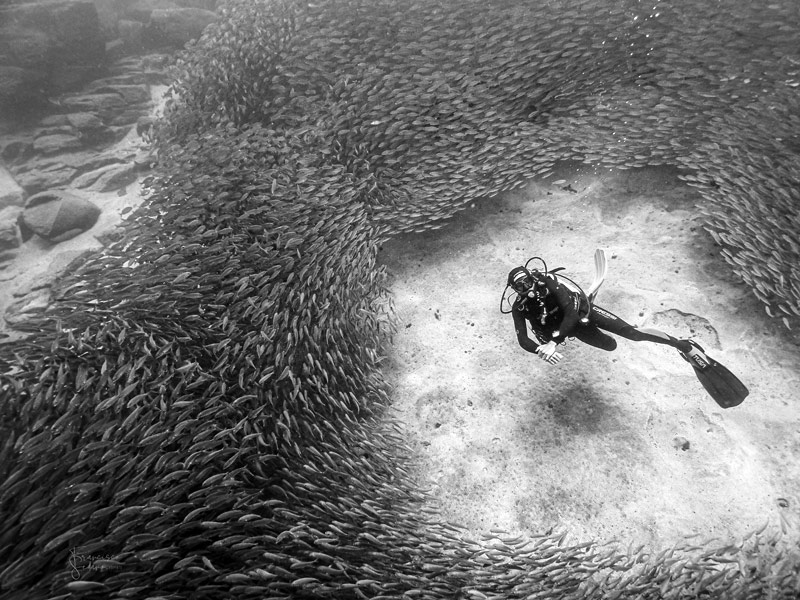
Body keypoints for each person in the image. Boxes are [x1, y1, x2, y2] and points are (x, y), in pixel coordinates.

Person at [506, 264, 694, 365]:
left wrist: (553, 343)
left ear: (533, 278)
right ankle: (599, 330)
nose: (527, 288)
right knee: (611, 346)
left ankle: (682, 345)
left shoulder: (548, 283)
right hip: (574, 330)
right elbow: (523, 339)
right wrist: (539, 349)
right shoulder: (519, 308)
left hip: (582, 313)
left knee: (633, 334)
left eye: (527, 282)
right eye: (520, 287)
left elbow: (570, 314)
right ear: (514, 290)